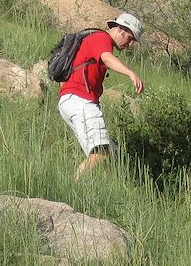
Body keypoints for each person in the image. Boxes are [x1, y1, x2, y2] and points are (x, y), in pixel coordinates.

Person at [57, 12, 145, 179]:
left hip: (71, 100)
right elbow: (107, 58)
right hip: (81, 101)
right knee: (102, 153)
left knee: (111, 155)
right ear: (121, 30)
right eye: (131, 38)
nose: (130, 44)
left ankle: (104, 189)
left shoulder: (94, 39)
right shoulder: (101, 38)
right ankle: (73, 186)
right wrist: (130, 74)